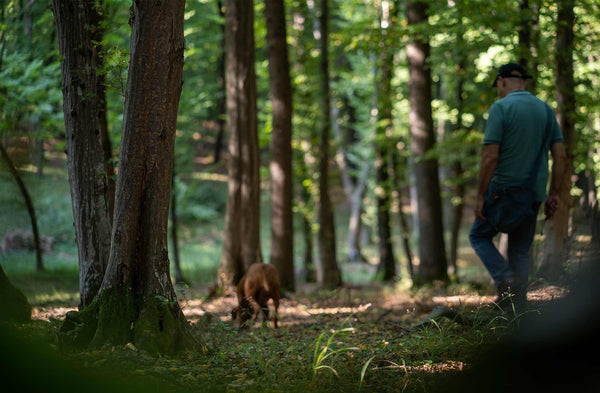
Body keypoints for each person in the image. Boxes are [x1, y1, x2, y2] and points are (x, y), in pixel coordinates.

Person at [469, 62, 567, 312]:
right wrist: (553, 193)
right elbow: (561, 156)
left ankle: (504, 278)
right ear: (524, 82)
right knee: (520, 251)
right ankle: (516, 308)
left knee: (478, 235)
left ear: (502, 82)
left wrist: (481, 195)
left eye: (497, 86)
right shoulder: (546, 111)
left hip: (503, 191)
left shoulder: (501, 107)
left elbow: (490, 156)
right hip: (533, 194)